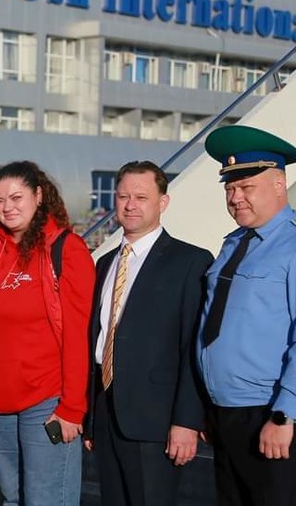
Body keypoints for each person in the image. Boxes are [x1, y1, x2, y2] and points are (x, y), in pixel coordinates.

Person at [197, 125, 296, 506]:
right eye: (230, 188)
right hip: (226, 412)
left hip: (272, 412)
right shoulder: (234, 243)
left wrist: (285, 416)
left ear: (279, 184)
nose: (235, 198)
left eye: (246, 187)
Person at [0, 160, 95, 505]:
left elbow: (78, 336)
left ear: (38, 195)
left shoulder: (65, 249)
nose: (7, 207)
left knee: (45, 500)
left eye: (16, 197)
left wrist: (72, 408)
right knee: (11, 498)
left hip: (45, 400)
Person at [84, 161, 213, 506]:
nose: (130, 205)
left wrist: (187, 421)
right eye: (123, 196)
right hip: (107, 414)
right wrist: (91, 417)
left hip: (156, 421)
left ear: (163, 202)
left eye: (141, 197)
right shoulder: (105, 263)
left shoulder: (190, 262)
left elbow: (193, 347)